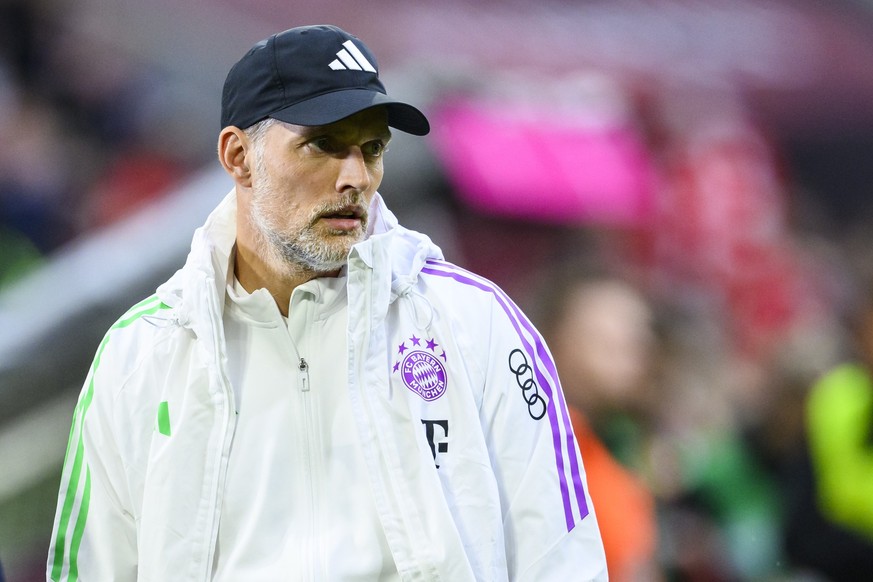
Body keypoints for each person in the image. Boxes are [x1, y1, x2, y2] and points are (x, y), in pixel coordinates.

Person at [46, 24, 606, 581]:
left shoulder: (475, 323)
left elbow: (561, 560)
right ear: (239, 157)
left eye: (371, 148)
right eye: (324, 145)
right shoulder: (138, 357)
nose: (356, 177)